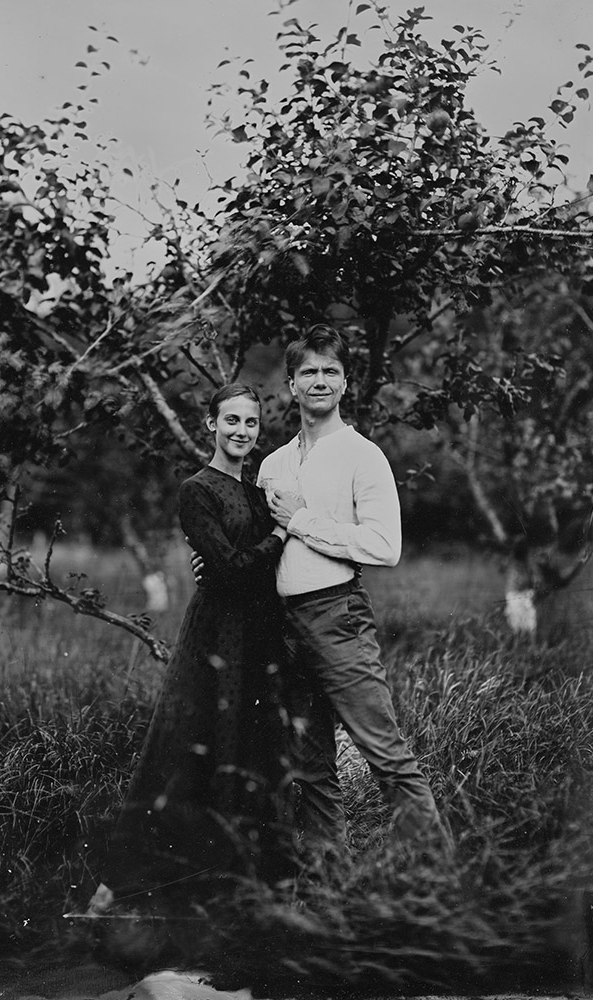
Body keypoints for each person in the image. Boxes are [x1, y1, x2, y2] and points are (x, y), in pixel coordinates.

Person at [197, 326, 449, 858]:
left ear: (345, 382)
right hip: (280, 625)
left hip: (338, 617)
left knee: (385, 754)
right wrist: (212, 567)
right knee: (310, 769)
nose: (319, 381)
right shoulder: (272, 465)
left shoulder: (363, 455)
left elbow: (385, 547)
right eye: (308, 371)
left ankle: (437, 885)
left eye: (329, 371)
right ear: (291, 384)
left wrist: (306, 520)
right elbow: (254, 547)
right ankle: (328, 894)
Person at [87, 382, 294, 925]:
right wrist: (279, 535)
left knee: (249, 747)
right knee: (185, 743)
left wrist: (271, 536)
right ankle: (116, 887)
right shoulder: (196, 489)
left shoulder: (256, 492)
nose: (241, 431)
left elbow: (249, 563)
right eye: (231, 421)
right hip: (215, 632)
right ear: (211, 424)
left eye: (250, 423)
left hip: (258, 632)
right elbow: (226, 569)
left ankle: (239, 887)